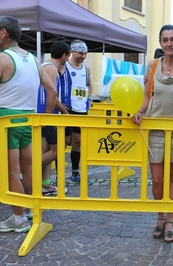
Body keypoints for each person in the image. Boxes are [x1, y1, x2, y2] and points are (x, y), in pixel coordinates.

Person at [131, 25, 173, 243]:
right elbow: (147, 97)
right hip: (155, 127)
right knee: (157, 180)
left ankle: (170, 220)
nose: (169, 44)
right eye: (165, 40)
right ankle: (159, 216)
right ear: (160, 43)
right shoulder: (152, 65)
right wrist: (139, 112)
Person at [0, 16, 57, 232]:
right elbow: (52, 91)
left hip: (7, 120)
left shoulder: (3, 59)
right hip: (29, 119)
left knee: (12, 173)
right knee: (29, 168)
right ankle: (29, 211)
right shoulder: (33, 59)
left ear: (4, 33)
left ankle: (18, 219)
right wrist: (45, 119)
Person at [37, 41, 70, 195]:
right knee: (57, 150)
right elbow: (52, 93)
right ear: (64, 55)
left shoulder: (48, 66)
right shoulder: (50, 68)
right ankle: (27, 171)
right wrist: (63, 111)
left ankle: (44, 184)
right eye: (68, 55)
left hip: (46, 113)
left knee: (46, 149)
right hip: (47, 114)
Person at [60, 40, 92, 184]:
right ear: (72, 52)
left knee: (77, 142)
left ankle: (75, 173)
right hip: (67, 109)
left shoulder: (86, 68)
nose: (83, 56)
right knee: (65, 141)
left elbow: (89, 85)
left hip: (81, 109)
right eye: (80, 53)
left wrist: (89, 98)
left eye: (85, 53)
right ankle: (59, 173)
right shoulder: (63, 66)